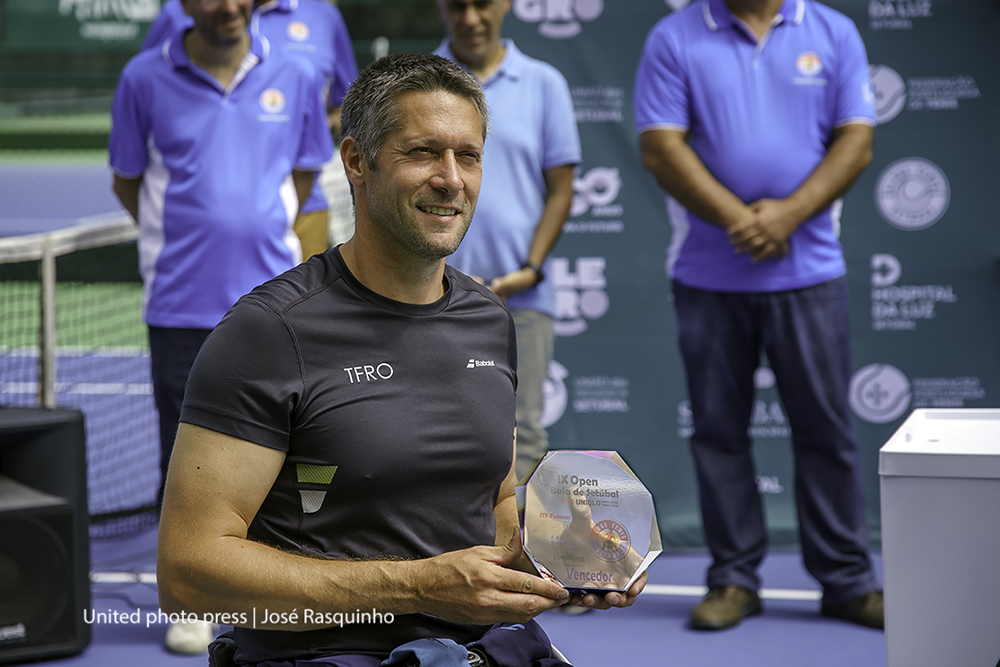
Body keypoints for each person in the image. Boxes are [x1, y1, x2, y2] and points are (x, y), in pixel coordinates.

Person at [156, 52, 644, 666]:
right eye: (422, 153)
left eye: (467, 156)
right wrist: (416, 587)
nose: (450, 179)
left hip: (480, 651)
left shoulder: (489, 318)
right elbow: (187, 577)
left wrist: (568, 560)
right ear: (357, 162)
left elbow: (489, 508)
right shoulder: (268, 331)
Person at [634, 0, 883, 631]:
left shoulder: (832, 32)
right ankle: (734, 579)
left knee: (825, 431)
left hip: (811, 275)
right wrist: (743, 221)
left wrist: (788, 214)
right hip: (708, 277)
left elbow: (856, 140)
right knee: (719, 432)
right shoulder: (675, 35)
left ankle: (848, 582)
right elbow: (662, 147)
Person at [109, 0, 332, 651]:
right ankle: (192, 597)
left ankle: (282, 582)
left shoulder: (294, 74)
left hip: (275, 307)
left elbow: (304, 172)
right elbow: (129, 180)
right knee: (183, 459)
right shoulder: (141, 78)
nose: (228, 6)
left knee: (290, 453)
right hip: (179, 305)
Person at [433, 0, 580, 485]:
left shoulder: (543, 84)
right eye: (458, 5)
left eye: (482, 4)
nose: (471, 18)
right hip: (432, 298)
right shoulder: (419, 85)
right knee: (434, 430)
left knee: (525, 439)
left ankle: (508, 560)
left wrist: (532, 269)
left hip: (524, 297)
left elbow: (561, 189)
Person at [143, 0, 359, 258]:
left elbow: (345, 102)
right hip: (202, 218)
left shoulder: (324, 16)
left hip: (308, 208)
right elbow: (148, 83)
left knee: (305, 298)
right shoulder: (179, 12)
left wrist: (316, 125)